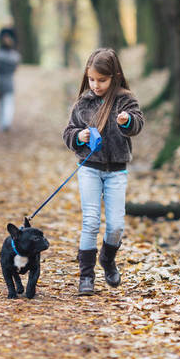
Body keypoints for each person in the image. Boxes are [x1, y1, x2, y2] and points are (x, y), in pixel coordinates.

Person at [62, 48, 144, 296]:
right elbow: (68, 133)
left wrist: (126, 120)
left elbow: (138, 123)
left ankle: (107, 259)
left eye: (102, 80)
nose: (96, 85)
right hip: (89, 169)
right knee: (90, 221)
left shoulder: (125, 100)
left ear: (115, 76)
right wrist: (79, 136)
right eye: (91, 79)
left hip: (117, 171)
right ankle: (86, 276)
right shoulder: (82, 103)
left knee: (116, 225)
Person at [0, 34, 21, 132]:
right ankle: (7, 122)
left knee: (1, 104)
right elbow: (16, 68)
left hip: (0, 81)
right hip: (10, 81)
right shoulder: (15, 56)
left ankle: (2, 124)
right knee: (9, 103)